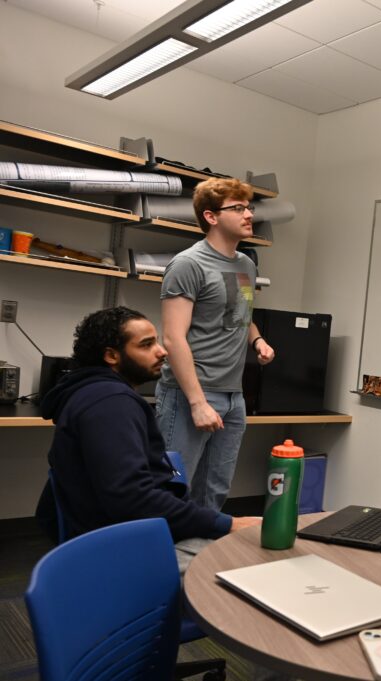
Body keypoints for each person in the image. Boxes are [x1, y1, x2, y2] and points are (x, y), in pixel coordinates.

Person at [40, 307, 261, 573]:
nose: (162, 351)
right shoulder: (111, 405)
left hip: (134, 530)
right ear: (111, 356)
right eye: (146, 345)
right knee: (250, 564)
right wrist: (228, 524)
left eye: (156, 341)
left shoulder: (93, 392)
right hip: (127, 545)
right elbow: (134, 499)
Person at [157, 177, 275, 511]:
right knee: (173, 491)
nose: (248, 214)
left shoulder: (246, 264)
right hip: (190, 394)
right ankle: (162, 561)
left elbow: (240, 313)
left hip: (233, 396)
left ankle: (201, 560)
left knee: (214, 493)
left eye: (248, 207)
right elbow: (173, 337)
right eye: (237, 208)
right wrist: (196, 402)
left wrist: (258, 340)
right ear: (211, 217)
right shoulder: (188, 264)